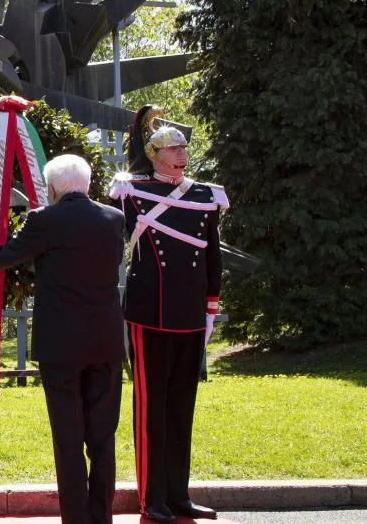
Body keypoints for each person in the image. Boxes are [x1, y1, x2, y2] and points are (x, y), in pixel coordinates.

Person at [0, 154, 126, 524]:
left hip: (62, 346)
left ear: (52, 188)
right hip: (105, 341)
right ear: (87, 184)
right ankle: (101, 518)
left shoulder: (44, 219)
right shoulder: (114, 219)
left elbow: (12, 254)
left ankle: (76, 519)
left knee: (68, 439)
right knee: (102, 439)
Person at [109, 105, 228, 523]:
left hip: (191, 314)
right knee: (151, 409)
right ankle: (151, 498)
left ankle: (179, 494)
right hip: (149, 313)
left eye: (183, 146)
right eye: (173, 147)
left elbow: (212, 256)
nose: (182, 153)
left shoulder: (204, 194)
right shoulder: (133, 190)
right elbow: (116, 235)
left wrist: (211, 306)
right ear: (155, 153)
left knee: (181, 407)